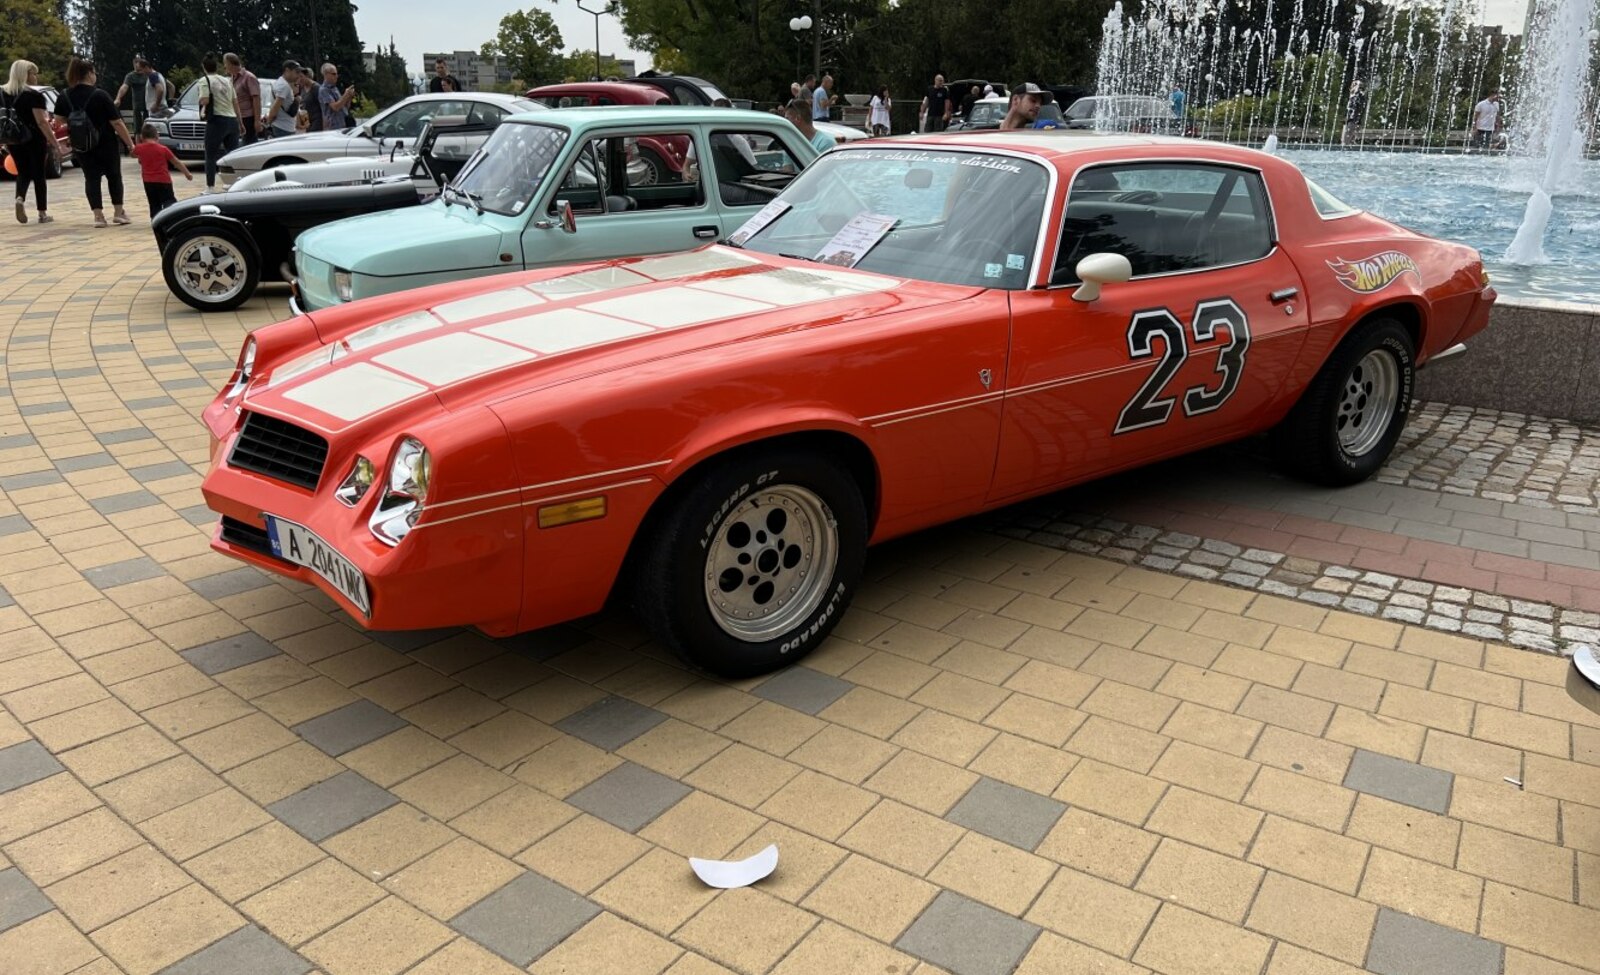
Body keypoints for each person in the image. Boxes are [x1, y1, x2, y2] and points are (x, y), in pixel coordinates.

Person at [56, 57, 135, 226]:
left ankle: (98, 216)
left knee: (91, 179)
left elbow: (59, 119)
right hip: (105, 143)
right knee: (114, 176)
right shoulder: (100, 94)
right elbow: (117, 122)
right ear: (90, 74)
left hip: (81, 144)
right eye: (94, 73)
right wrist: (129, 143)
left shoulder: (64, 95)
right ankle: (119, 212)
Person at [4, 60, 61, 223]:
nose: (36, 77)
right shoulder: (34, 96)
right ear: (25, 75)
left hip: (13, 138)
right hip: (34, 138)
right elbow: (41, 122)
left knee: (22, 171)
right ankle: (42, 213)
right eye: (33, 73)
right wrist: (54, 142)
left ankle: (19, 198)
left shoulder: (3, 93)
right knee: (38, 174)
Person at [197, 54, 242, 190]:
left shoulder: (204, 80)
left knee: (210, 155)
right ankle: (235, 184)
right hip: (232, 119)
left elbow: (205, 100)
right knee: (232, 154)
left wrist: (200, 101)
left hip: (217, 119)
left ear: (204, 68)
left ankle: (210, 187)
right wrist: (240, 122)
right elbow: (235, 102)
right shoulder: (227, 80)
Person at [131, 122, 191, 216]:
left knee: (154, 203)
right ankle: (170, 217)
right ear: (157, 136)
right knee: (169, 200)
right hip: (164, 180)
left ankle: (156, 219)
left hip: (148, 181)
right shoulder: (163, 149)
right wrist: (187, 173)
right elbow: (176, 162)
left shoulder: (139, 148)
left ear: (142, 137)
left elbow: (133, 154)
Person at [114, 57, 162, 135]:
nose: (138, 69)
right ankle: (138, 145)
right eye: (136, 66)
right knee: (138, 128)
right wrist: (118, 98)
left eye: (139, 67)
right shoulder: (130, 76)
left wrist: (158, 102)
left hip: (149, 105)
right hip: (137, 105)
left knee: (149, 127)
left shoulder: (149, 74)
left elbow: (162, 85)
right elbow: (124, 87)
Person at [225, 53, 263, 145]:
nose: (224, 66)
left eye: (225, 63)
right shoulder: (232, 79)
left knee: (249, 144)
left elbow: (256, 99)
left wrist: (257, 121)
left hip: (248, 118)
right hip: (237, 117)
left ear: (231, 64)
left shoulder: (248, 77)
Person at [263, 60, 300, 138]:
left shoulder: (279, 83)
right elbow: (275, 107)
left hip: (281, 126)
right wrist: (267, 123)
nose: (298, 75)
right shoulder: (284, 86)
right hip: (284, 128)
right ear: (287, 70)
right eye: (296, 72)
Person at [318, 63, 356, 131]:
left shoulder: (334, 88)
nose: (336, 76)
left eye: (336, 74)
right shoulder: (324, 90)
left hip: (343, 124)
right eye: (333, 74)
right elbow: (335, 107)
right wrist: (345, 94)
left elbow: (345, 107)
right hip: (333, 127)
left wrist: (349, 97)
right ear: (326, 74)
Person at [298, 67, 323, 132]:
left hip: (317, 121)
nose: (299, 79)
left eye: (301, 76)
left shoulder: (316, 88)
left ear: (307, 76)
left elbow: (322, 106)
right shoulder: (303, 88)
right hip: (307, 121)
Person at [1342, 81, 1366, 145]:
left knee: (1347, 139)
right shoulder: (1353, 96)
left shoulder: (1358, 96)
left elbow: (1357, 108)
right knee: (1349, 139)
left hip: (1353, 120)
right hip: (1352, 120)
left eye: (1354, 85)